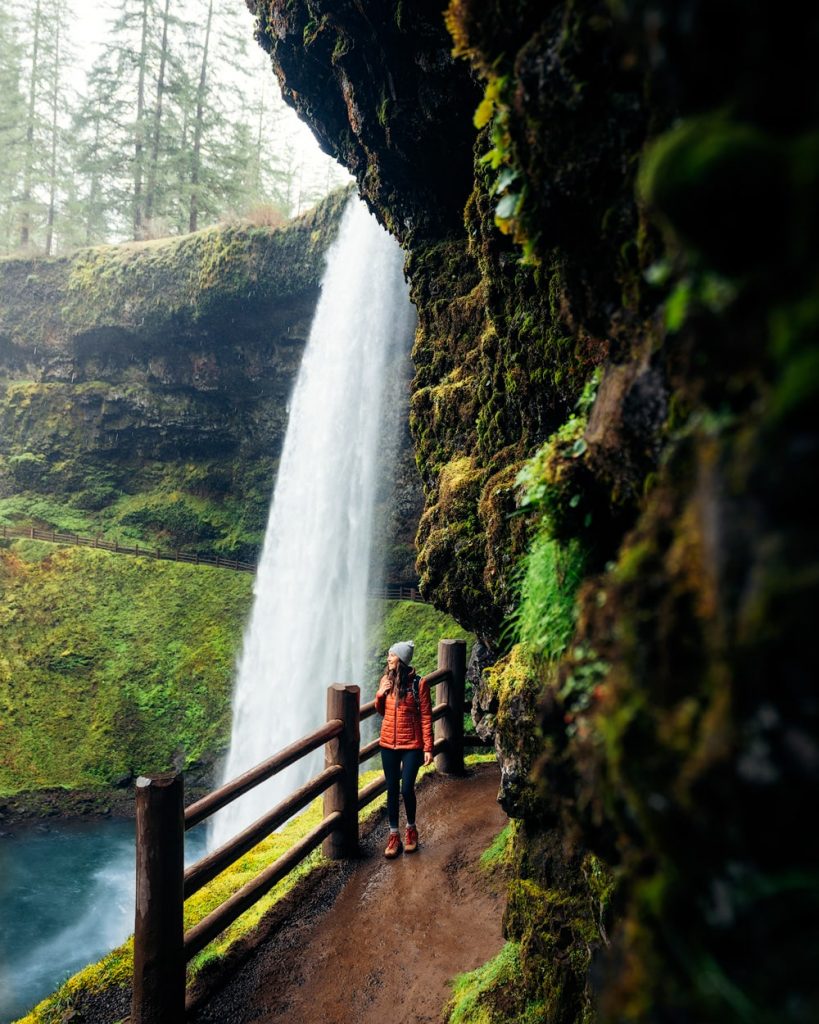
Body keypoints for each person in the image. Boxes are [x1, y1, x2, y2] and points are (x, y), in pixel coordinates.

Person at [375, 639, 433, 858]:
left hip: (412, 745)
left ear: (401, 659)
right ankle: (393, 835)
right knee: (392, 788)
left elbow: (426, 716)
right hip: (388, 743)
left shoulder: (419, 684)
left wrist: (428, 747)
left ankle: (411, 829)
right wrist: (380, 693)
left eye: (392, 655)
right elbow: (381, 711)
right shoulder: (385, 680)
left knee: (406, 788)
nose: (388, 658)